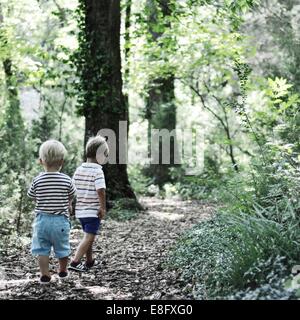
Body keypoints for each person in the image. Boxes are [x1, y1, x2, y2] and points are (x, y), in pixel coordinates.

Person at [28, 140, 76, 284]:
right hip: (60, 220)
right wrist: (68, 203)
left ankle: (45, 274)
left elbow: (31, 195)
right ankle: (62, 271)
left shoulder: (37, 180)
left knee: (42, 249)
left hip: (42, 221)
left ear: (41, 161)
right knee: (62, 247)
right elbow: (72, 194)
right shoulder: (66, 179)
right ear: (62, 161)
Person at [68, 135, 108, 272]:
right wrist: (103, 207)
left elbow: (71, 189)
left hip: (81, 211)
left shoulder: (79, 170)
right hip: (92, 211)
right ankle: (75, 261)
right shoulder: (98, 171)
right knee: (89, 237)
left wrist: (70, 204)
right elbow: (101, 191)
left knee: (88, 236)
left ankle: (89, 261)